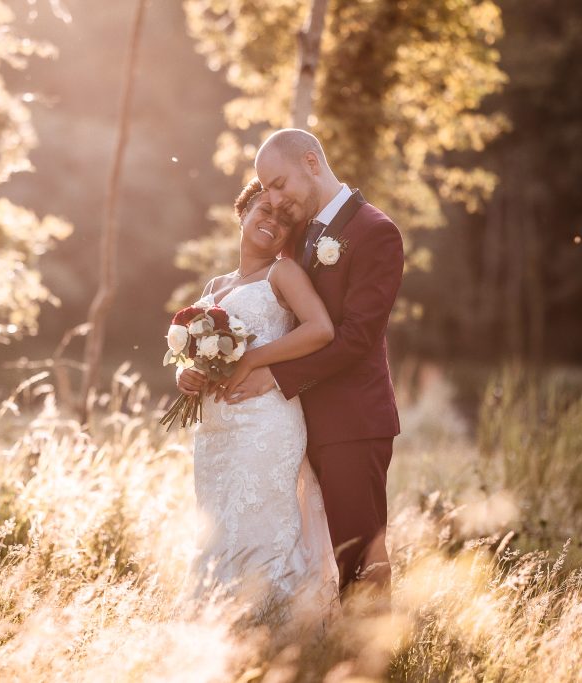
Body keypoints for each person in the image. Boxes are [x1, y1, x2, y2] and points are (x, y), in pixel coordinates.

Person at [180, 128, 404, 600]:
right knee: (304, 545)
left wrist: (272, 374)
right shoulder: (297, 233)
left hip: (351, 419)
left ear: (311, 162)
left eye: (278, 183)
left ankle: (373, 661)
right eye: (266, 189)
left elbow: (357, 338)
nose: (273, 197)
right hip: (291, 424)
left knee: (359, 554)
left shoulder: (374, 231)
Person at [179, 178, 339, 627]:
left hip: (265, 425)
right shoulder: (216, 283)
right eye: (264, 211)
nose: (272, 222)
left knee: (259, 524)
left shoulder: (283, 273)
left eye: (285, 219)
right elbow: (189, 355)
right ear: (243, 213)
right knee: (218, 528)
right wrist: (186, 374)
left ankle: (277, 629)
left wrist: (251, 360)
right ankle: (220, 627)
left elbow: (320, 329)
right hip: (215, 434)